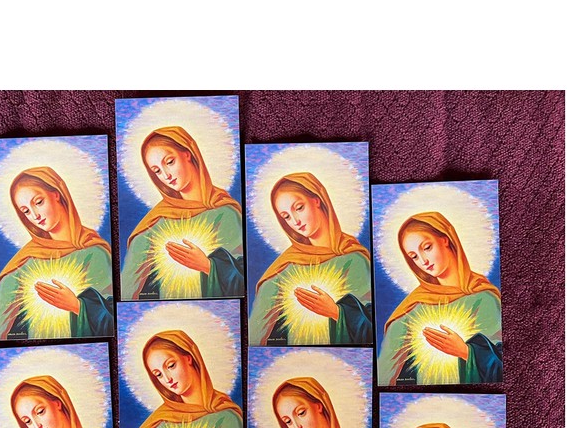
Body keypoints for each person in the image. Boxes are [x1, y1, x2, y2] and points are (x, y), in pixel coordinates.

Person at [377, 211, 502, 385]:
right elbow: (384, 375)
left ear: (445, 239)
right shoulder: (413, 308)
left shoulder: (485, 299)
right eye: (414, 257)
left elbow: (503, 367)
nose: (423, 261)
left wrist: (465, 351)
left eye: (427, 248)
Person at [0, 167, 114, 340]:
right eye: (26, 211)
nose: (35, 215)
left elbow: (114, 322)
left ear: (56, 194)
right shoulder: (22, 264)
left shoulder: (96, 252)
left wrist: (76, 305)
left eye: (38, 202)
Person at [249, 172, 372, 346]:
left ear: (317, 200)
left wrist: (336, 312)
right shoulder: (285, 267)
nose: (295, 221)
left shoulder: (355, 259)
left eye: (299, 208)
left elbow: (371, 329)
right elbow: (256, 336)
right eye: (286, 217)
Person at [121, 126, 244, 300]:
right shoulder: (155, 223)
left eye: (169, 162)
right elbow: (127, 290)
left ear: (187, 153)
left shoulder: (226, 212)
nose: (166, 175)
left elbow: (243, 281)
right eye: (157, 171)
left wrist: (207, 265)